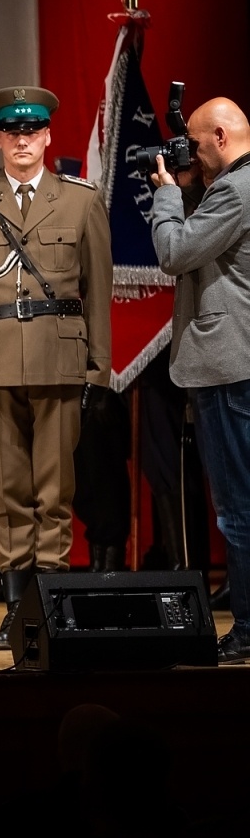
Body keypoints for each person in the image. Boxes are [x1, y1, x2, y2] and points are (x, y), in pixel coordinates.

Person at [0, 86, 113, 650]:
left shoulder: (81, 200)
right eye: (12, 131)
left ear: (47, 136)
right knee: (7, 489)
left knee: (54, 490)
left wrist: (99, 370)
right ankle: (17, 607)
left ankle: (53, 605)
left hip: (60, 357)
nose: (22, 140)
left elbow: (98, 290)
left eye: (32, 130)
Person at [147, 96, 250, 664]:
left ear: (218, 136)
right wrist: (189, 188)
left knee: (237, 508)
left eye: (194, 142)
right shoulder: (232, 187)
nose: (192, 153)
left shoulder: (236, 189)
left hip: (231, 367)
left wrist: (167, 194)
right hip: (238, 364)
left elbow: (175, 250)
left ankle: (249, 625)